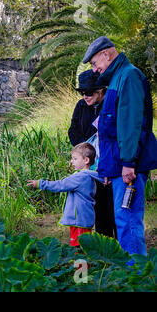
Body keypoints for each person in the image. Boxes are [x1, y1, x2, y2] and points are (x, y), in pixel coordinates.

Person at [83, 36, 157, 256]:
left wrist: (128, 163)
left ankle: (137, 278)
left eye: (95, 63)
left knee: (129, 221)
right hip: (118, 167)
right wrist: (107, 168)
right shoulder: (116, 78)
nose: (95, 70)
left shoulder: (129, 76)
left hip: (128, 167)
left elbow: (131, 125)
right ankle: (130, 275)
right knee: (123, 219)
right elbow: (109, 129)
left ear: (106, 54)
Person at [69, 70, 117, 239]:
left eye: (88, 92)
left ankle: (116, 245)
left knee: (111, 206)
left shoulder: (110, 105)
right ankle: (102, 243)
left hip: (108, 163)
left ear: (100, 91)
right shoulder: (81, 106)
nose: (84, 96)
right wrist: (85, 150)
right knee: (96, 206)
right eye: (82, 92)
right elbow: (73, 131)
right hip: (88, 163)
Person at [27, 143, 103, 248]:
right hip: (81, 218)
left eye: (75, 159)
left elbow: (60, 185)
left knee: (80, 247)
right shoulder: (86, 176)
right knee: (81, 246)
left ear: (86, 160)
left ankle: (81, 264)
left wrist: (40, 184)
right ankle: (81, 264)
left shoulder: (81, 177)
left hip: (79, 219)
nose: (71, 162)